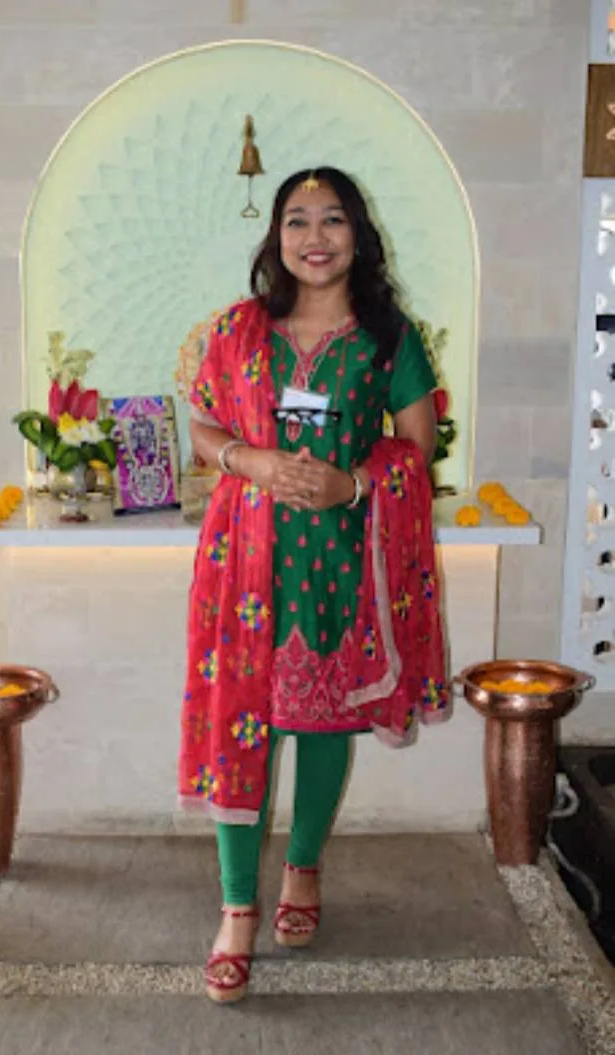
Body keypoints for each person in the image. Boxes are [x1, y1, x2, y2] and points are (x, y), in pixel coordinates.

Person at [178, 167, 449, 1004]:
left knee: (323, 716)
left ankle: (302, 867)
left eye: (333, 219)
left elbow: (418, 447)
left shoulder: (387, 337)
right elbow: (202, 425)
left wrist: (353, 484)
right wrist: (250, 460)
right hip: (245, 560)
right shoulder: (239, 329)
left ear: (358, 236)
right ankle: (236, 910)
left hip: (340, 558)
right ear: (277, 238)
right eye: (297, 220)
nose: (315, 237)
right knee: (243, 725)